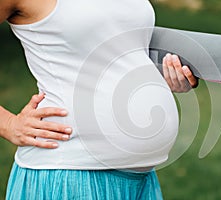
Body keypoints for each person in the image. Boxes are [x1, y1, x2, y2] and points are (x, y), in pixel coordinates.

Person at [0, 0, 198, 199]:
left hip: (141, 179)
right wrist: (9, 124)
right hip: (69, 172)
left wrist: (165, 76)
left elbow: (121, 50)